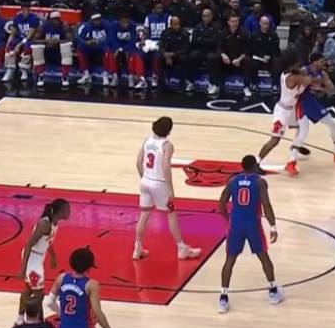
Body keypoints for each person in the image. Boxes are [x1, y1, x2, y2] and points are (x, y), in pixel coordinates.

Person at [217, 155, 282, 313]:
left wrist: (228, 219)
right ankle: (273, 290)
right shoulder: (260, 182)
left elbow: (221, 203)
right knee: (263, 256)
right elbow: (266, 205)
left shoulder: (232, 181)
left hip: (236, 224)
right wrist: (273, 226)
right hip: (253, 224)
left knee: (229, 260)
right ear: (254, 167)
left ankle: (223, 297)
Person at [44, 248, 122, 328]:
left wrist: (61, 313)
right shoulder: (91, 284)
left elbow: (48, 302)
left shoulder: (61, 278)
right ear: (89, 267)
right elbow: (97, 313)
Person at [134, 116, 202, 261]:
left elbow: (138, 163)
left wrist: (144, 178)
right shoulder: (167, 145)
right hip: (159, 184)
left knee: (144, 216)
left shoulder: (147, 140)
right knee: (171, 215)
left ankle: (137, 248)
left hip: (145, 181)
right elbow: (166, 167)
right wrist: (170, 189)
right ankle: (181, 248)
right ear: (169, 131)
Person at [285, 52, 335, 176]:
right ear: (314, 62)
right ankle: (291, 162)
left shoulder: (323, 74)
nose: (323, 63)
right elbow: (293, 86)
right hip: (300, 103)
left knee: (333, 125)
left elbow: (333, 90)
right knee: (303, 131)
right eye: (321, 61)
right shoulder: (303, 71)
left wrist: (321, 89)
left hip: (313, 103)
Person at [257, 49, 316, 170]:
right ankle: (257, 162)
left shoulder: (290, 73)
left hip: (292, 110)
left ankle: (296, 146)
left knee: (302, 128)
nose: (299, 66)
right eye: (297, 64)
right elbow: (309, 80)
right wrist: (315, 71)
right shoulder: (293, 78)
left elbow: (303, 73)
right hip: (282, 112)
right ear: (290, 66)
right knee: (275, 140)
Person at [16, 199, 71, 326]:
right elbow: (29, 245)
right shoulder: (44, 225)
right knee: (39, 294)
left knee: (29, 289)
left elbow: (47, 241)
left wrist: (53, 256)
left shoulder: (54, 223)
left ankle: (20, 319)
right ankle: (38, 323)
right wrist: (23, 269)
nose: (69, 212)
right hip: (32, 259)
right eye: (67, 209)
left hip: (38, 258)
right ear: (60, 211)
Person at [32, 11, 73, 87]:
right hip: (47, 50)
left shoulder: (64, 26)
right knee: (37, 47)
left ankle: (65, 76)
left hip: (59, 51)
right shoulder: (43, 26)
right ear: (50, 20)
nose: (57, 21)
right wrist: (46, 41)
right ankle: (40, 75)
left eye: (58, 19)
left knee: (66, 46)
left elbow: (71, 40)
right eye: (55, 19)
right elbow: (35, 40)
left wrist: (58, 42)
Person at [108, 13, 147, 89]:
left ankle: (131, 76)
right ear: (119, 22)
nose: (125, 24)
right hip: (117, 47)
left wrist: (124, 49)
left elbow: (133, 40)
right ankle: (114, 76)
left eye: (127, 22)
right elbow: (113, 40)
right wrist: (118, 49)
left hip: (129, 47)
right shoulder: (114, 26)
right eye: (123, 22)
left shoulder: (133, 26)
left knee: (133, 55)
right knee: (110, 53)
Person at [75, 13, 111, 86]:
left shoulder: (108, 25)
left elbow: (111, 38)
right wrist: (86, 42)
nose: (97, 22)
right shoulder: (87, 26)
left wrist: (99, 42)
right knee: (80, 49)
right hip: (92, 45)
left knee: (108, 50)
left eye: (99, 20)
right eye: (95, 20)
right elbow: (80, 38)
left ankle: (105, 74)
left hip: (103, 46)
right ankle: (86, 74)